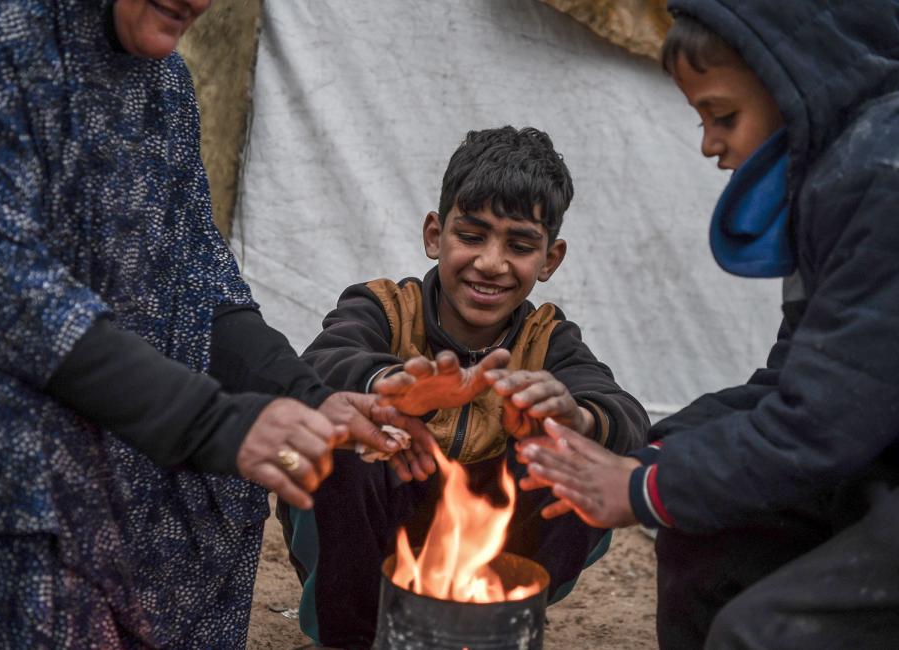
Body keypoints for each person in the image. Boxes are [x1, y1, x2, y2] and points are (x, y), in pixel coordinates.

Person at [0, 1, 424, 647]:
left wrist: (309, 399)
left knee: (224, 476)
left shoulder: (163, 84)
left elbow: (197, 278)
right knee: (0, 443)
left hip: (88, 382)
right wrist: (214, 423)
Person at [519, 1, 899, 649]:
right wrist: (644, 456)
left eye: (722, 115)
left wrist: (642, 487)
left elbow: (820, 425)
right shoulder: (845, 174)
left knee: (764, 636)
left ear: (795, 85)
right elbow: (790, 383)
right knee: (708, 544)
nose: (709, 144)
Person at [278, 126, 650, 648]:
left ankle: (491, 625)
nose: (491, 263)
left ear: (550, 259)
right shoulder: (383, 306)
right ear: (434, 235)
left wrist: (575, 417)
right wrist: (390, 388)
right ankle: (354, 638)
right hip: (380, 532)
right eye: (471, 236)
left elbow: (626, 415)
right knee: (340, 444)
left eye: (520, 245)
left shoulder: (550, 340)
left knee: (579, 456)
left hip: (495, 538)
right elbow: (318, 365)